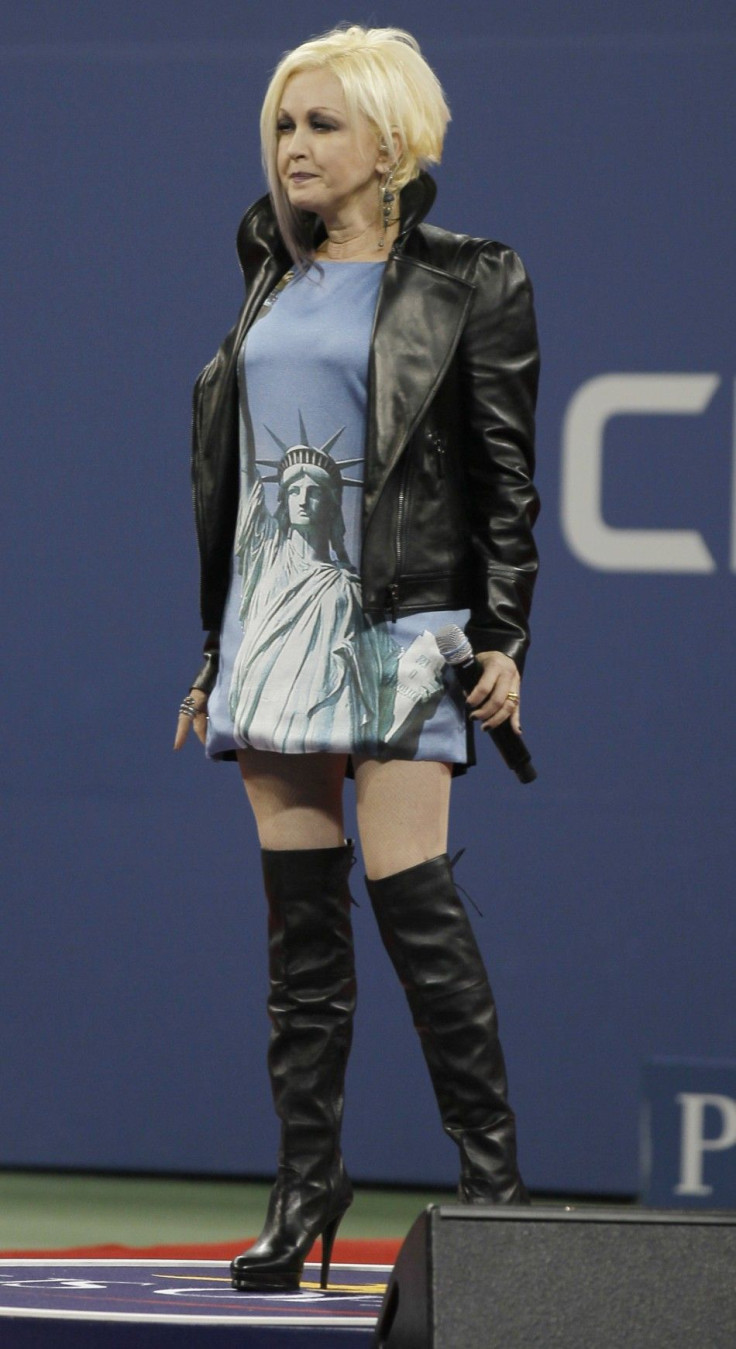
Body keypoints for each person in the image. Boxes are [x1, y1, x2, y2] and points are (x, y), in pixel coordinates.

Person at [174, 24, 540, 1293]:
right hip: (273, 625)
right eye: (283, 127)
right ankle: (306, 1181)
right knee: (300, 937)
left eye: (321, 125)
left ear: (390, 142)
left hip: (396, 619)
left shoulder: (469, 278)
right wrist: (215, 649)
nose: (293, 149)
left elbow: (505, 479)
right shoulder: (264, 270)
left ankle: (491, 1184)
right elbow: (242, 478)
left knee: (414, 903)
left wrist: (503, 636)